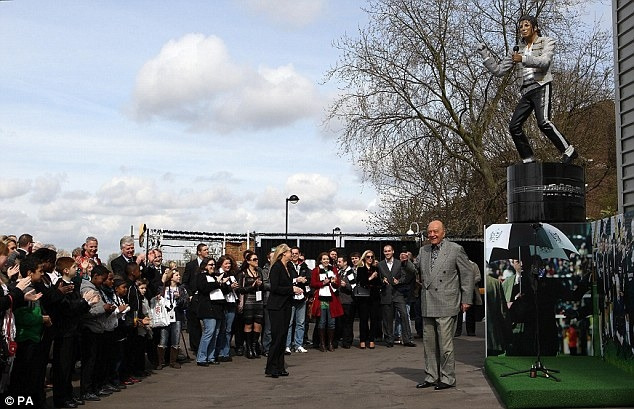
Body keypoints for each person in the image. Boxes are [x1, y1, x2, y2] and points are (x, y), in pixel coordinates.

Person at [478, 15, 578, 164]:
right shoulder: (517, 49)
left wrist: (523, 59)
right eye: (520, 27)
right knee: (514, 126)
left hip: (541, 85)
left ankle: (569, 150)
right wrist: (485, 55)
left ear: (534, 27)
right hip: (526, 91)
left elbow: (544, 62)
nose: (523, 29)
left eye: (526, 25)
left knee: (543, 122)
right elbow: (499, 71)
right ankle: (528, 159)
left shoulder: (546, 42)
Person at [415, 220, 474, 390]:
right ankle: (431, 376)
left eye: (435, 231)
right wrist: (405, 263)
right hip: (428, 303)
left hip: (447, 303)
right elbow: (415, 269)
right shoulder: (423, 250)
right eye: (429, 232)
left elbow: (467, 275)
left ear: (443, 232)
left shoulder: (455, 250)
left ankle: (447, 378)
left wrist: (466, 299)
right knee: (429, 344)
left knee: (445, 344)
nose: (432, 235)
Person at [265, 244, 304, 378]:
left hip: (286, 305)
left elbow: (287, 285)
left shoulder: (287, 268)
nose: (291, 254)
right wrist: (291, 289)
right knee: (277, 337)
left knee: (282, 337)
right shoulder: (276, 267)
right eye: (289, 252)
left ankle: (280, 366)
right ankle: (271, 367)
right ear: (283, 253)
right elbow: (275, 288)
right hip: (276, 307)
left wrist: (295, 288)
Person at [378, 244, 417, 348]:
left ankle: (407, 339)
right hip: (386, 294)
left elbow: (406, 277)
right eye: (385, 251)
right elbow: (378, 279)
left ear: (393, 251)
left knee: (404, 315)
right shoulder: (380, 265)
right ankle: (389, 339)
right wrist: (382, 280)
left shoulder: (399, 263)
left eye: (389, 251)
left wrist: (399, 281)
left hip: (398, 293)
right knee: (387, 318)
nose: (387, 253)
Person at [310, 252, 343, 352]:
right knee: (322, 322)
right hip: (322, 299)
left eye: (327, 259)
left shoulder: (333, 269)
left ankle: (330, 343)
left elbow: (337, 284)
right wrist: (322, 283)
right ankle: (322, 343)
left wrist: (334, 281)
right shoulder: (316, 270)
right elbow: (313, 283)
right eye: (324, 259)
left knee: (332, 322)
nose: (326, 261)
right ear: (320, 260)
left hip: (332, 299)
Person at [157, 267, 188, 369]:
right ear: (171, 277)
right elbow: (158, 301)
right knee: (163, 339)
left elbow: (185, 304)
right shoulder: (163, 288)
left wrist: (179, 298)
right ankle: (160, 362)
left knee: (176, 340)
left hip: (177, 316)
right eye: (177, 275)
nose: (179, 277)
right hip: (165, 317)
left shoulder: (181, 289)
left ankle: (173, 361)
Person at [182, 243, 209, 356]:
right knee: (193, 323)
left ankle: (205, 346)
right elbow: (185, 282)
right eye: (205, 250)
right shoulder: (191, 265)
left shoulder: (210, 264)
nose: (207, 251)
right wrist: (190, 294)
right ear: (199, 252)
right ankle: (195, 346)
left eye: (208, 249)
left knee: (207, 322)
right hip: (194, 296)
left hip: (205, 297)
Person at [237, 251, 264, 359]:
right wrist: (252, 286)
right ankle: (248, 348)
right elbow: (240, 289)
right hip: (248, 301)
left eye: (257, 259)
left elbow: (263, 287)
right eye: (254, 259)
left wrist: (260, 285)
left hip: (259, 301)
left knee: (258, 324)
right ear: (248, 261)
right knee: (248, 324)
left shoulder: (259, 272)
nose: (256, 261)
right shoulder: (243, 274)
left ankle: (254, 347)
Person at [356, 250, 382, 349]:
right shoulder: (360, 269)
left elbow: (378, 283)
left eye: (371, 257)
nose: (370, 259)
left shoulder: (376, 268)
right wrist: (371, 278)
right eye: (368, 257)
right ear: (364, 258)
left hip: (374, 297)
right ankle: (362, 340)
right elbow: (361, 282)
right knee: (363, 319)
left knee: (374, 319)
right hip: (363, 297)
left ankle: (371, 339)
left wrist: (380, 281)